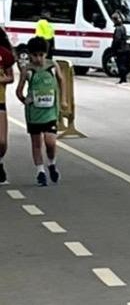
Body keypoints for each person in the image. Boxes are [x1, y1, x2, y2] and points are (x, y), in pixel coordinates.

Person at [17, 37, 67, 187]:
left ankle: (51, 163)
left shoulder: (52, 66)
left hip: (50, 112)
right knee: (36, 143)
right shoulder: (27, 70)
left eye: (41, 55)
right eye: (35, 55)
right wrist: (25, 100)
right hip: (34, 114)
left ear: (46, 54)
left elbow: (62, 80)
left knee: (50, 142)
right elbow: (19, 91)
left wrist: (63, 100)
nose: (38, 59)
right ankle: (40, 172)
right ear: (30, 55)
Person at [0, 28, 16, 185]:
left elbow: (11, 77)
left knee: (2, 141)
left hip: (0, 102)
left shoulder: (4, 54)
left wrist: (1, 79)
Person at [111, 12, 130, 84]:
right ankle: (124, 78)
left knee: (120, 64)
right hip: (125, 48)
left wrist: (113, 48)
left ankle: (122, 79)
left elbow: (117, 39)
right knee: (123, 63)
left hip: (120, 49)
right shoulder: (123, 27)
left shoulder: (118, 29)